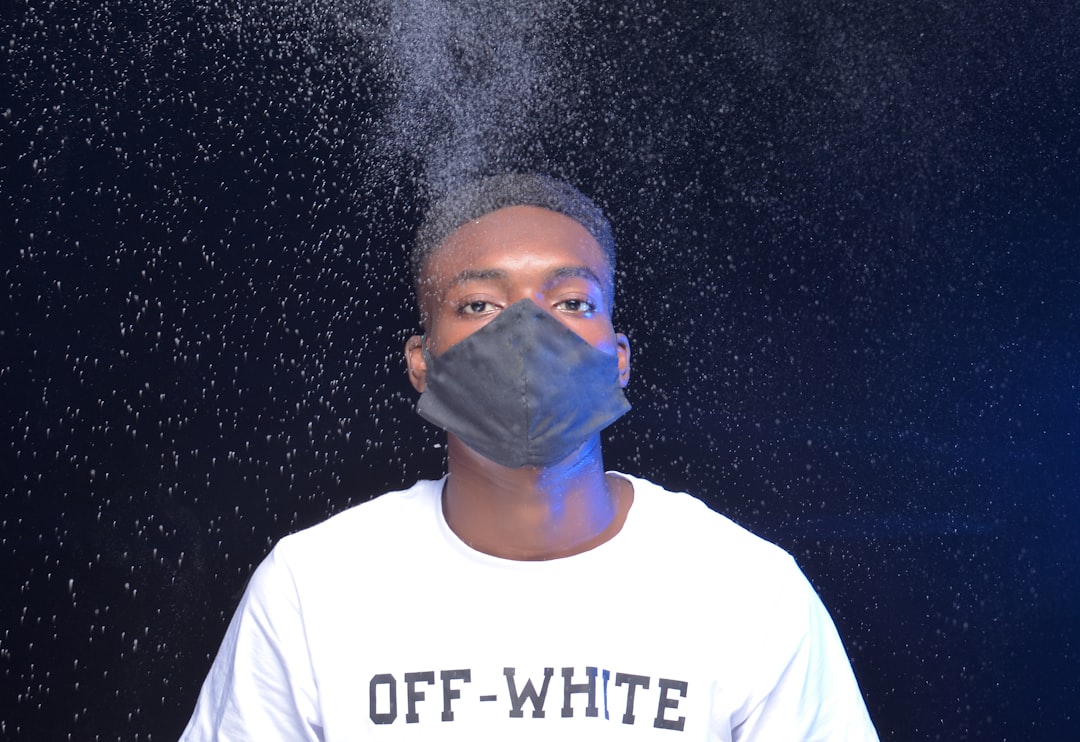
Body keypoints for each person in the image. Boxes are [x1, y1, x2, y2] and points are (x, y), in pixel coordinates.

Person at [181, 173, 879, 740]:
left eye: (571, 301)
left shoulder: (747, 591)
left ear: (619, 357)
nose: (527, 331)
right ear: (422, 362)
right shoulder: (313, 586)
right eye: (479, 305)